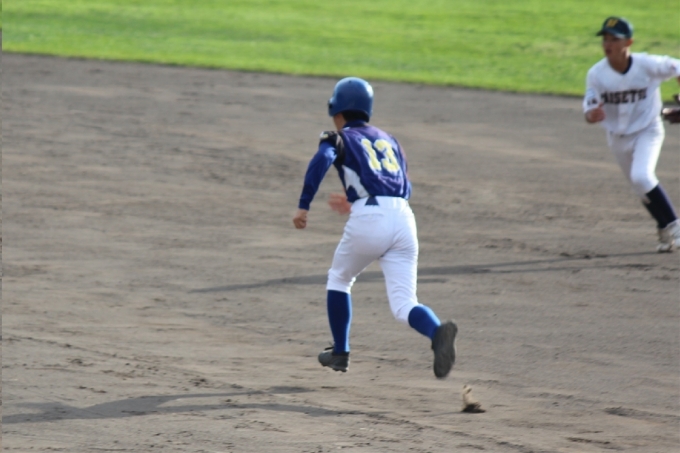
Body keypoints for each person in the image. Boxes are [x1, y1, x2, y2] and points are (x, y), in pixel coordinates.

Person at [292, 77, 457, 379]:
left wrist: (304, 205)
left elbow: (322, 159)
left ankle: (340, 352)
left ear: (337, 110)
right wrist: (360, 200)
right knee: (404, 303)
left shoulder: (339, 138)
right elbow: (402, 185)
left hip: (371, 219)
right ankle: (437, 332)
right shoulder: (390, 140)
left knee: (340, 278)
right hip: (404, 218)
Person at [583, 16, 680, 252]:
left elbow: (677, 66)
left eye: (614, 39)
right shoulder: (596, 74)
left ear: (628, 42)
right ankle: (663, 227)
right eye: (605, 39)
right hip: (617, 138)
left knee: (642, 177)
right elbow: (589, 109)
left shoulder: (647, 64)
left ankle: (676, 226)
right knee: (641, 188)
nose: (608, 44)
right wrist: (592, 115)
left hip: (648, 130)